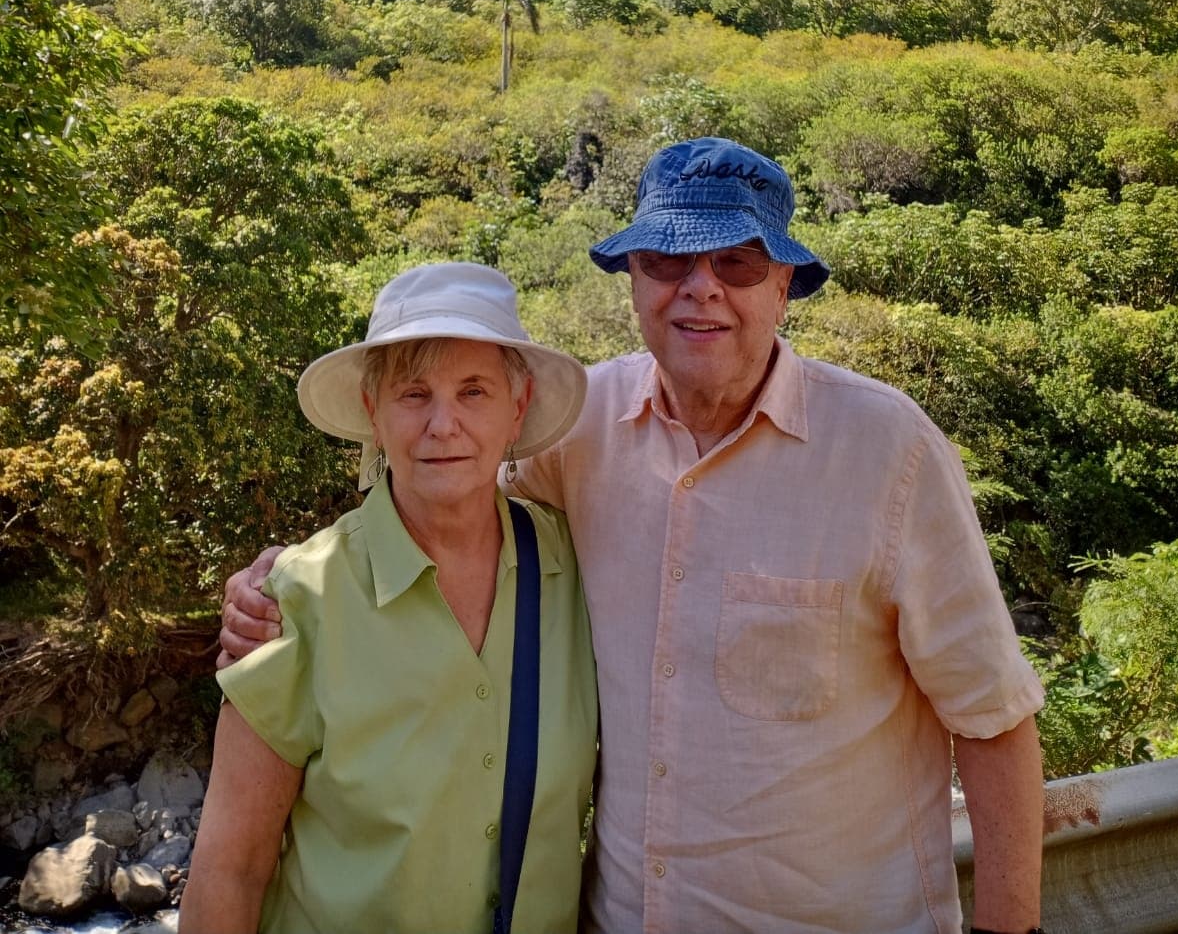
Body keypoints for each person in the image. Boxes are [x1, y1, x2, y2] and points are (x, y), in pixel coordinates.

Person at [222, 139, 1046, 934]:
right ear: (633, 282)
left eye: (736, 262)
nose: (701, 288)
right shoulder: (583, 432)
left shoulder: (887, 451)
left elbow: (994, 719)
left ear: (783, 285)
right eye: (666, 260)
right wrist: (288, 578)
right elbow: (444, 496)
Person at [184, 262, 597, 934]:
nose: (443, 424)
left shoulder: (574, 568)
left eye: (473, 391)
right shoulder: (301, 600)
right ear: (373, 412)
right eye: (413, 394)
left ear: (517, 407)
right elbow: (230, 870)